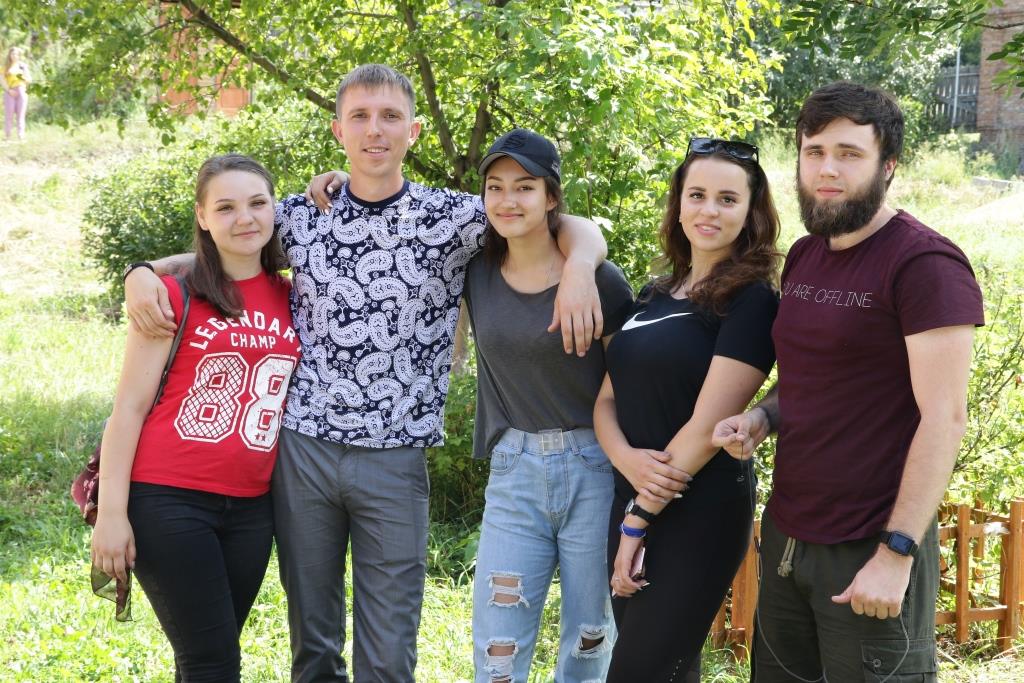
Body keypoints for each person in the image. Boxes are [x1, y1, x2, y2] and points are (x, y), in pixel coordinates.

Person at [125, 64, 607, 683]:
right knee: (314, 638)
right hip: (303, 450)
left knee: (389, 646)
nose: (374, 130)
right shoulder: (301, 216)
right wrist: (143, 271)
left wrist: (581, 267)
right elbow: (221, 248)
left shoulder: (456, 218)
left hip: (396, 458)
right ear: (338, 130)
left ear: (413, 130)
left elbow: (563, 224)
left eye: (389, 116)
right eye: (360, 116)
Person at [711, 82, 985, 682]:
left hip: (871, 545)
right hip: (789, 537)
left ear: (889, 166)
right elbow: (810, 379)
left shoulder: (925, 266)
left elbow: (945, 418)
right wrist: (762, 417)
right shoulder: (806, 255)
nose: (827, 170)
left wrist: (897, 552)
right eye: (814, 152)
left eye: (849, 154)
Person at [91, 154, 301, 681]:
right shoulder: (171, 294)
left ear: (274, 208)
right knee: (213, 663)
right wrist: (112, 514)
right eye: (225, 208)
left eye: (257, 203)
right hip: (169, 499)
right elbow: (128, 409)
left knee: (208, 656)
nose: (244, 218)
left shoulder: (296, 294)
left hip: (253, 508)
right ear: (203, 217)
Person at [593, 137, 782, 682]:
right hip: (630, 494)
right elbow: (606, 398)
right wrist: (627, 461)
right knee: (668, 671)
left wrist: (639, 520)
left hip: (698, 510)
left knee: (638, 672)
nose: (709, 210)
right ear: (678, 204)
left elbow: (706, 427)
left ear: (750, 212)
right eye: (697, 195)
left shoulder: (751, 300)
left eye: (728, 199)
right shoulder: (653, 293)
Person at [465, 129, 633, 683]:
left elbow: (630, 385)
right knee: (498, 649)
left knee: (589, 639)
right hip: (514, 472)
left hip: (596, 469)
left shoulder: (601, 281)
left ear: (551, 196)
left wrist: (580, 268)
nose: (507, 200)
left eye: (524, 187)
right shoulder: (475, 271)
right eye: (495, 187)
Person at [4, 47, 30, 141]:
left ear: (19, 56)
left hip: (21, 90)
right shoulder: (5, 67)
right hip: (10, 91)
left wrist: (21, 77)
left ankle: (21, 136)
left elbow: (29, 79)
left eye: (16, 54)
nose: (14, 56)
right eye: (12, 54)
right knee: (9, 115)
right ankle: (8, 136)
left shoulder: (22, 66)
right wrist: (9, 90)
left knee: (21, 115)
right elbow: (2, 80)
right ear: (9, 55)